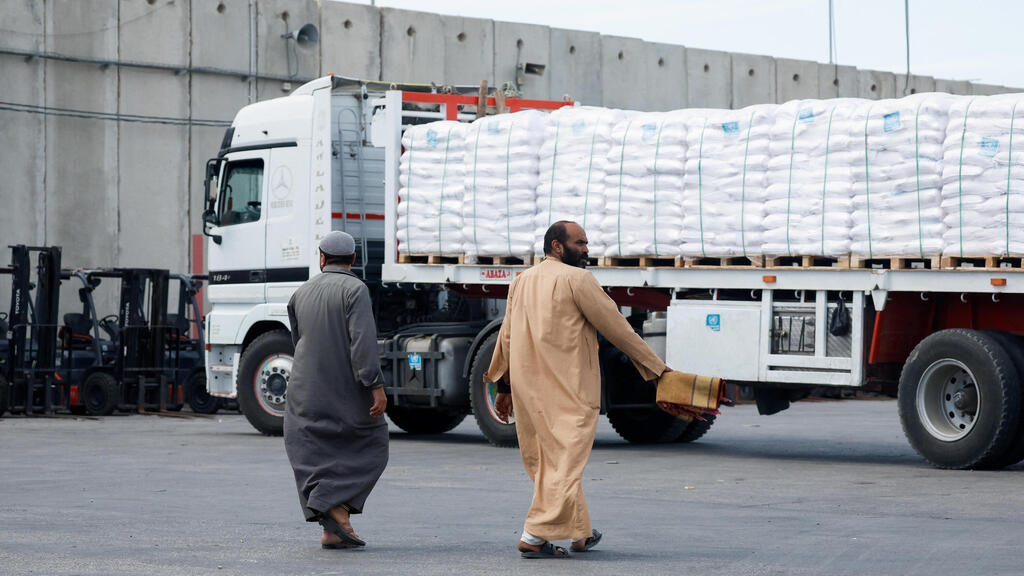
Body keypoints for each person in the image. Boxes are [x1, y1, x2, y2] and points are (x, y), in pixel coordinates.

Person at [485, 221, 671, 558]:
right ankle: (534, 535)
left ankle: (580, 532)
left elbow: (506, 337)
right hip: (570, 388)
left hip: (530, 389)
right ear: (557, 246)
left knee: (551, 462)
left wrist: (505, 386)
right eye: (581, 243)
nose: (587, 249)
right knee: (566, 463)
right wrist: (656, 369)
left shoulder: (522, 281)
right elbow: (618, 328)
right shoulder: (578, 280)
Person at [284, 230, 389, 549]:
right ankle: (337, 511)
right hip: (345, 387)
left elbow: (297, 339)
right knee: (373, 444)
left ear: (321, 258)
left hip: (303, 388)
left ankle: (332, 528)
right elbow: (363, 344)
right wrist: (375, 385)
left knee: (311, 449)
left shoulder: (301, 292)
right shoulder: (355, 290)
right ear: (354, 259)